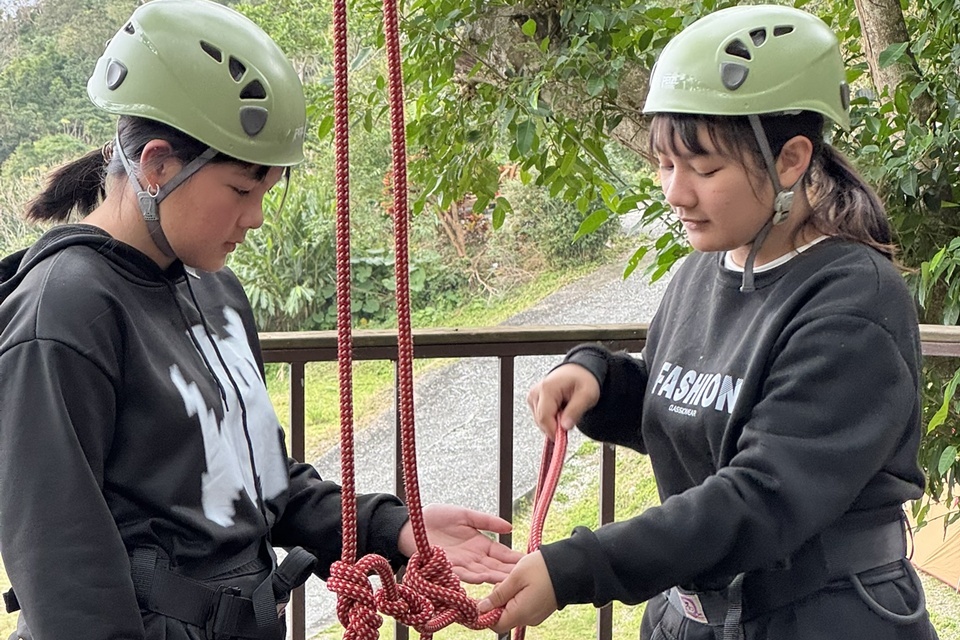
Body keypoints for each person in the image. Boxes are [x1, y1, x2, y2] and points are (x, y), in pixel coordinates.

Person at [0, 1, 520, 639]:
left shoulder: (214, 290)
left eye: (268, 192)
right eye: (243, 191)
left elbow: (258, 482)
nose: (256, 218)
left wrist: (395, 528)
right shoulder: (65, 310)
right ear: (156, 165)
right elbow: (64, 573)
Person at [478, 5, 938, 640]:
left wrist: (579, 567)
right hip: (695, 616)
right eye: (665, 165)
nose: (675, 192)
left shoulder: (853, 301)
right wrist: (599, 381)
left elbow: (759, 495)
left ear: (791, 159)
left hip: (819, 615)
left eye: (704, 168)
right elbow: (694, 407)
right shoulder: (710, 267)